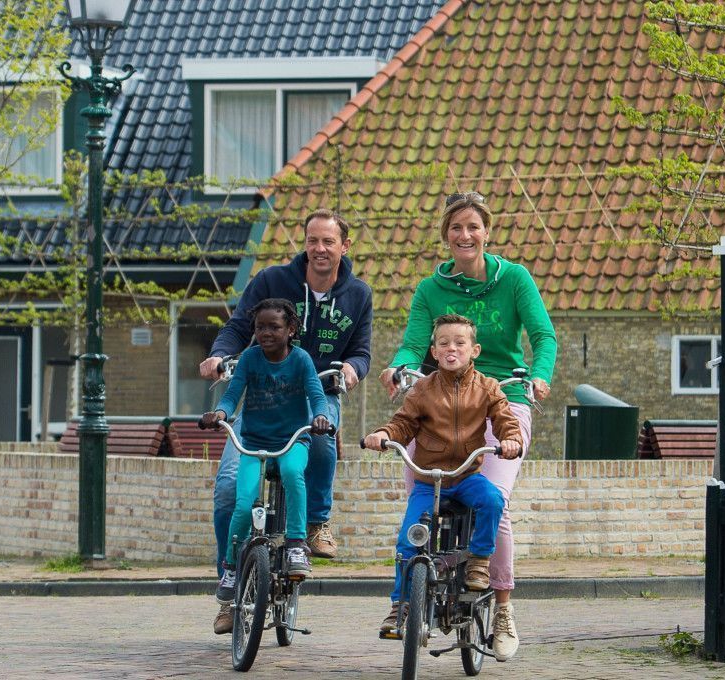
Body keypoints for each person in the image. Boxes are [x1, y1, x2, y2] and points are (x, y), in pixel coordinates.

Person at [376, 191, 555, 658]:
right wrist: (398, 369)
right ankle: (412, 589)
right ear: (446, 235)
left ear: (487, 231)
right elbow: (415, 343)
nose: (465, 235)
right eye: (456, 228)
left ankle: (502, 610)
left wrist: (538, 376)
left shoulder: (514, 278)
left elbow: (542, 334)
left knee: (495, 499)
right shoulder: (430, 289)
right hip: (440, 399)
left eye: (473, 227)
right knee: (421, 493)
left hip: (503, 399)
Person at [201, 210, 373, 632]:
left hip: (316, 395)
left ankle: (315, 523)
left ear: (343, 247)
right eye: (313, 240)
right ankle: (231, 588)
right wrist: (219, 356)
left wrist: (352, 368)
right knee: (227, 492)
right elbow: (238, 327)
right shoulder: (271, 282)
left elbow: (362, 351)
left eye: (328, 242)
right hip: (259, 399)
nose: (319, 249)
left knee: (322, 438)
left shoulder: (358, 294)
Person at [362, 314, 523, 640]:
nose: (452, 349)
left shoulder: (487, 388)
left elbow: (506, 419)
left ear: (474, 349)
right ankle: (401, 604)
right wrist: (383, 434)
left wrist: (511, 440)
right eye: (444, 343)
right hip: (429, 481)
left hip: (466, 476)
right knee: (409, 537)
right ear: (434, 352)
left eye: (460, 343)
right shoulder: (422, 389)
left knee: (492, 500)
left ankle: (479, 559)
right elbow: (403, 423)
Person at [201, 298, 334, 625]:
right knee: (243, 503)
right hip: (255, 443)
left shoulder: (301, 360)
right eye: (260, 327)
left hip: (293, 440)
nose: (266, 333)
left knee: (292, 472)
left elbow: (317, 395)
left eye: (274, 327)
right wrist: (221, 413)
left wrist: (319, 416)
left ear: (290, 330)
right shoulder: (249, 358)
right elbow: (233, 395)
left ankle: (295, 544)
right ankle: (231, 568)